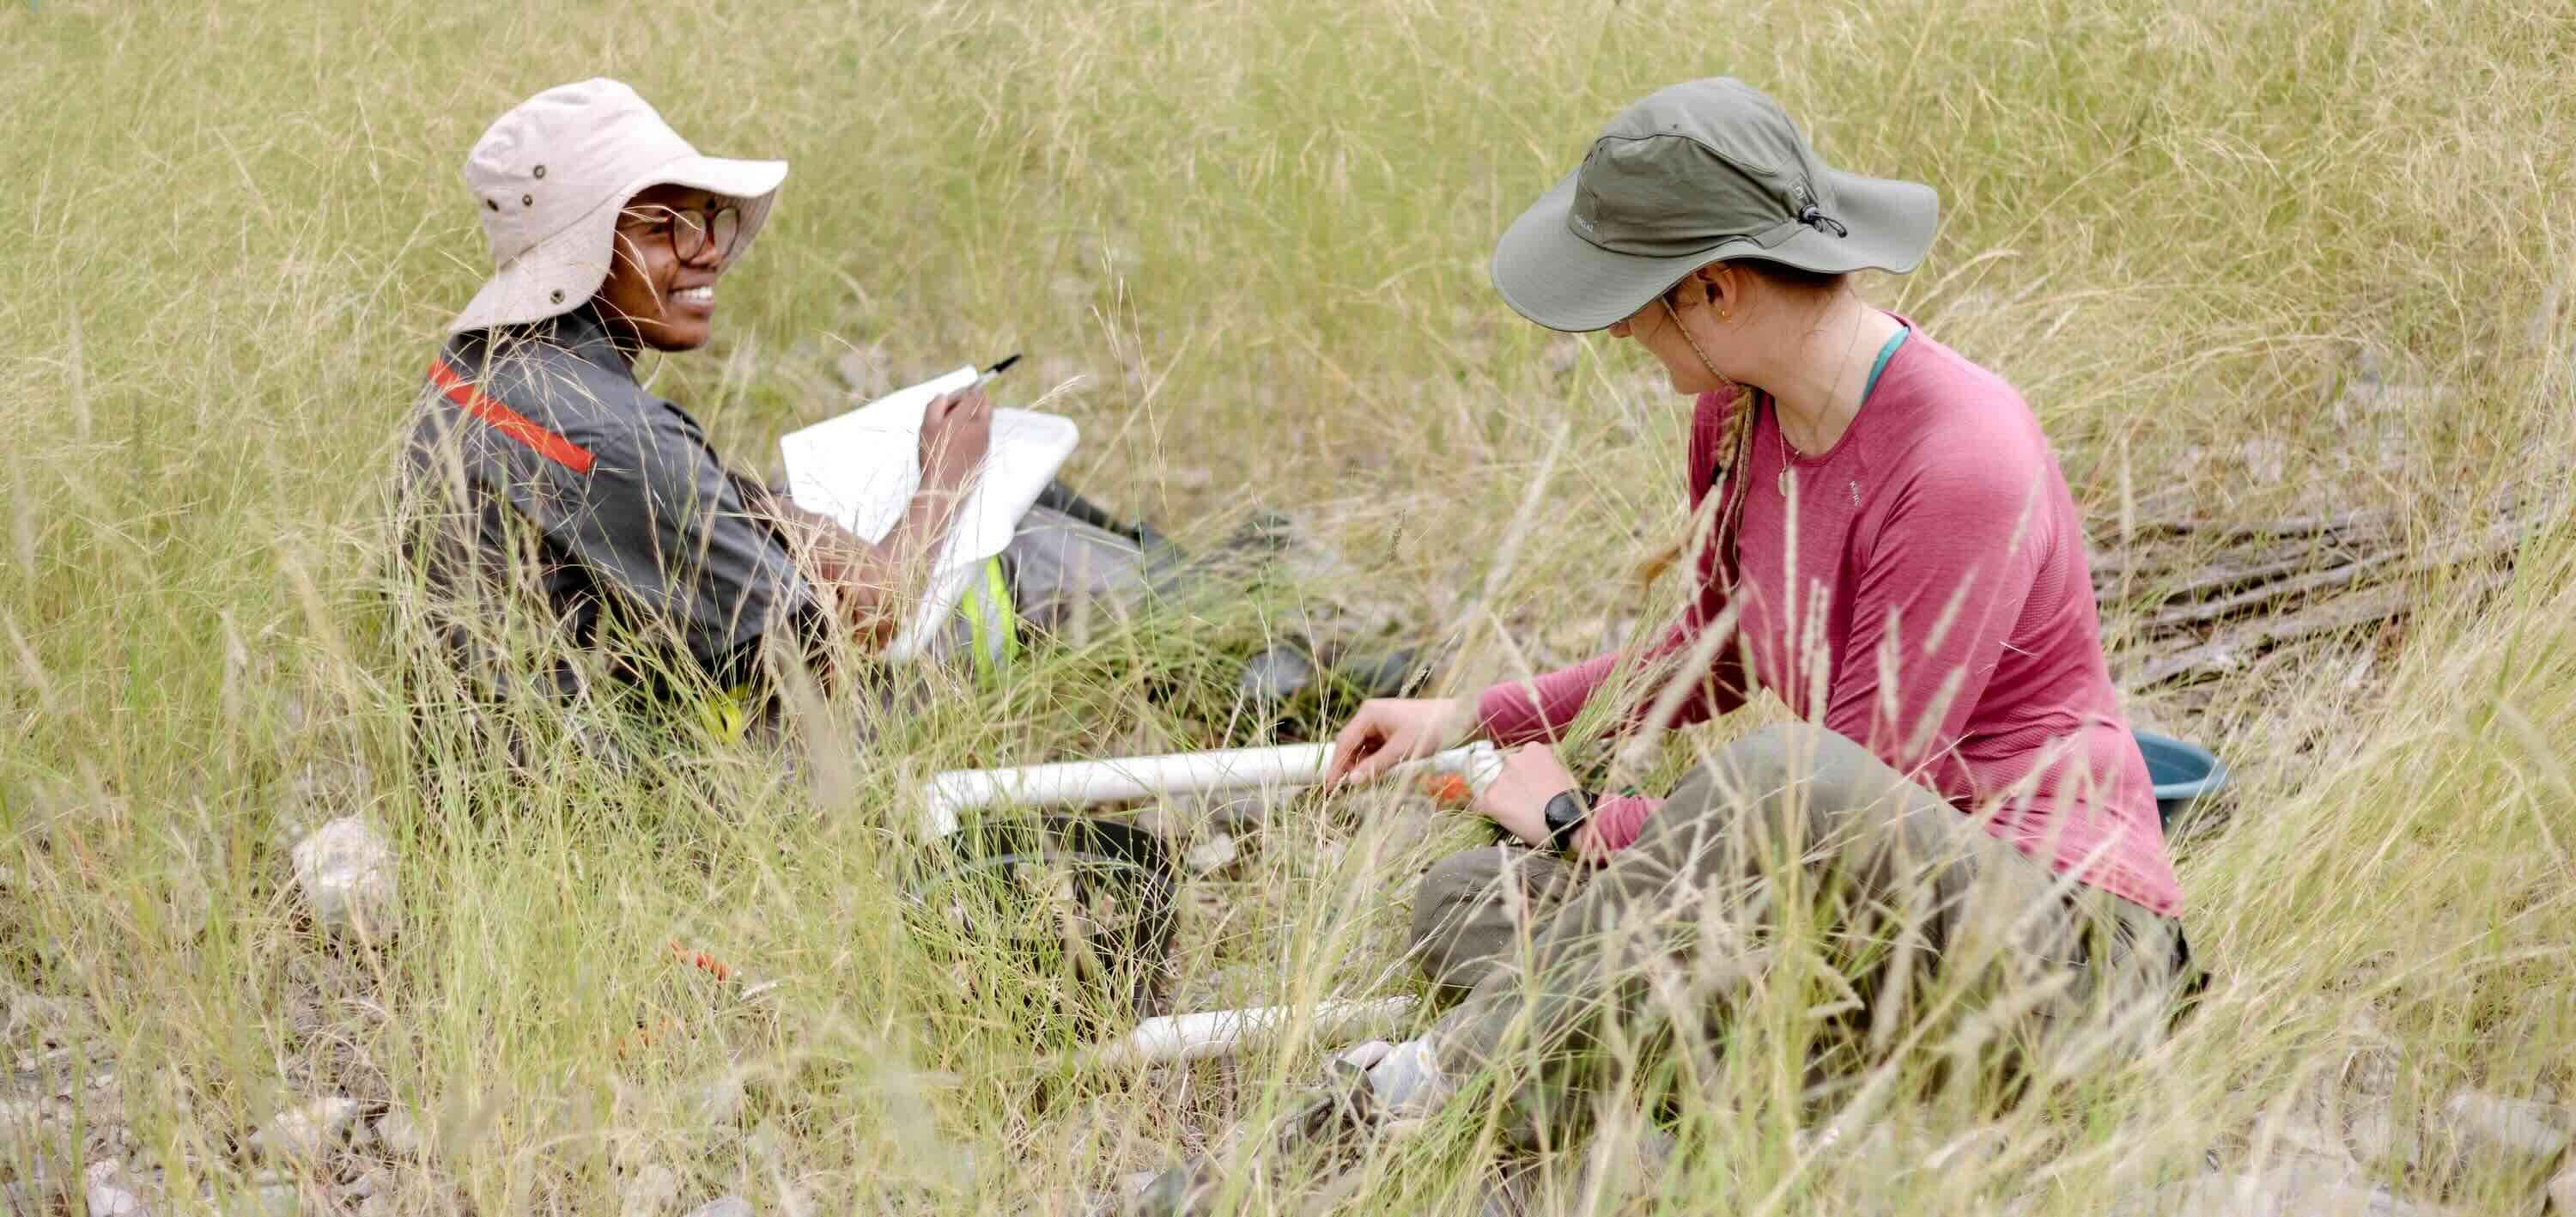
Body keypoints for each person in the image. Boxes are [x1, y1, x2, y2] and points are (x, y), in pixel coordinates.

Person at [1319, 79, 2199, 1134]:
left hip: (2051, 938)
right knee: (1463, 898)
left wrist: (1581, 822)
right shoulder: (1740, 418)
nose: (1618, 336)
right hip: (1846, 936)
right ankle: (1754, 1082)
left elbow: (1838, 801)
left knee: (1783, 779)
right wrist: (1471, 718)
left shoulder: (1963, 459)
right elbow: (1715, 652)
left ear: (1718, 293)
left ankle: (1433, 1090)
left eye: (1633, 306)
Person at [392, 79, 1181, 759]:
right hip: (663, 791)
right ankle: (1228, 634)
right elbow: (854, 634)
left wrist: (767, 514)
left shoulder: (473, 373)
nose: (707, 254)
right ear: (584, 245)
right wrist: (945, 474)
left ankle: (1194, 587)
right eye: (667, 226)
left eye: (710, 221)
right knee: (1010, 555)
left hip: (541, 758)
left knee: (901, 512)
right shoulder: (617, 439)